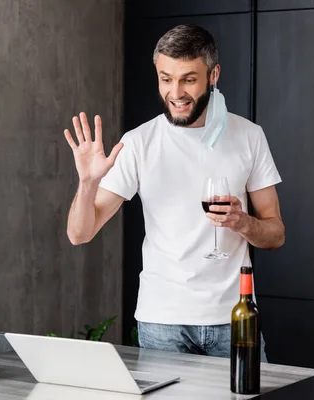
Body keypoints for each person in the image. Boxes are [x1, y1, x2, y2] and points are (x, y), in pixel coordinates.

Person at [63, 24, 284, 361]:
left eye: (188, 79)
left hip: (234, 316)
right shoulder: (138, 142)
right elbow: (80, 233)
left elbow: (275, 233)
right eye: (166, 79)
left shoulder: (249, 136)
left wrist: (242, 223)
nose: (176, 92)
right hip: (163, 322)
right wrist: (88, 182)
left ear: (213, 75)